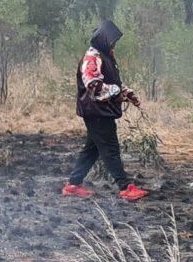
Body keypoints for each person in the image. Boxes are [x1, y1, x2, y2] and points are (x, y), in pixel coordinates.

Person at [62, 20, 148, 201]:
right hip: (96, 111)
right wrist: (118, 93)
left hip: (101, 110)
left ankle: (73, 185)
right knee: (110, 148)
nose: (114, 44)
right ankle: (125, 187)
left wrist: (127, 93)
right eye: (112, 41)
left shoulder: (105, 56)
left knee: (92, 149)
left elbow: (112, 81)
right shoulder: (92, 58)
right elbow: (94, 86)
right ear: (103, 39)